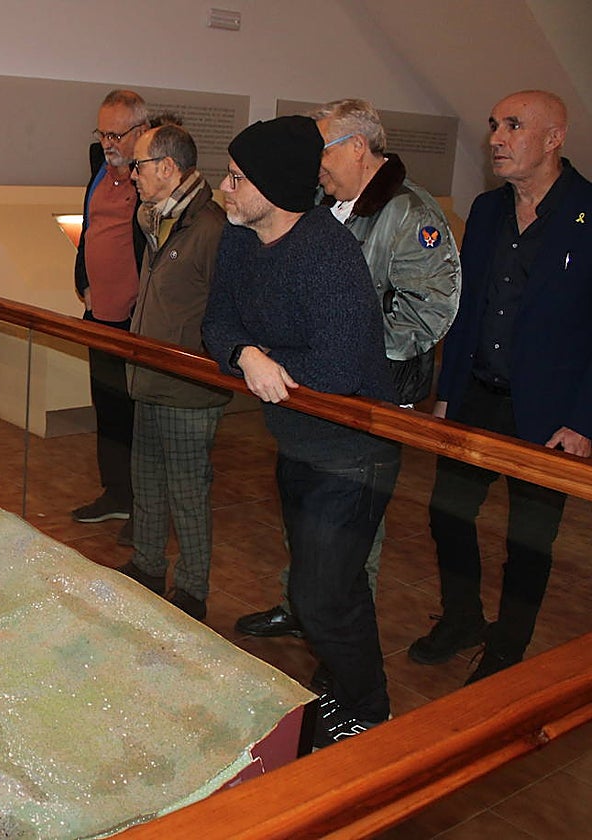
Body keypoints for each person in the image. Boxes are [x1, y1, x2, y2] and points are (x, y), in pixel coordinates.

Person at [203, 116, 400, 747]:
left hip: (352, 450)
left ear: (275, 187)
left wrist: (260, 359)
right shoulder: (240, 238)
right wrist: (245, 355)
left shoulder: (326, 254)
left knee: (318, 596)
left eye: (237, 178)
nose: (224, 188)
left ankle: (368, 709)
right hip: (297, 440)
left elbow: (339, 368)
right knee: (332, 586)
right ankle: (347, 686)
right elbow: (216, 322)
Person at [235, 98, 462, 641]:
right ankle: (301, 603)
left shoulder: (409, 214)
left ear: (358, 147)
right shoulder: (323, 203)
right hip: (313, 383)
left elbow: (431, 308)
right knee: (304, 508)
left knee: (353, 529)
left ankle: (340, 635)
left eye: (324, 150)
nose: (315, 164)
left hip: (371, 390)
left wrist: (351, 346)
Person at [408, 90, 592, 683]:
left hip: (551, 414)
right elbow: (466, 312)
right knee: (448, 514)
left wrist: (584, 422)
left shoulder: (587, 213)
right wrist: (444, 395)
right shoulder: (487, 211)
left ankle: (507, 649)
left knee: (529, 542)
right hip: (476, 397)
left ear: (554, 138)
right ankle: (462, 617)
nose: (496, 138)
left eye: (513, 126)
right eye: (494, 125)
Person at [115, 125, 230, 621]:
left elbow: (226, 313)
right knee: (146, 481)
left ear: (167, 167)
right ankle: (146, 565)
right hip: (149, 375)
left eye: (138, 165)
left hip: (188, 387)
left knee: (187, 493)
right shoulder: (156, 220)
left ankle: (191, 589)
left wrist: (203, 362)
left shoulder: (210, 229)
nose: (131, 174)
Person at [71, 90, 148, 545]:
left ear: (142, 131)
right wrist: (82, 279)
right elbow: (89, 231)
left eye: (116, 135)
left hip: (135, 322)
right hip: (98, 314)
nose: (108, 143)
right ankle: (116, 491)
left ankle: (144, 506)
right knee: (108, 408)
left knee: (139, 417)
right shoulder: (99, 172)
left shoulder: (151, 180)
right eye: (102, 133)